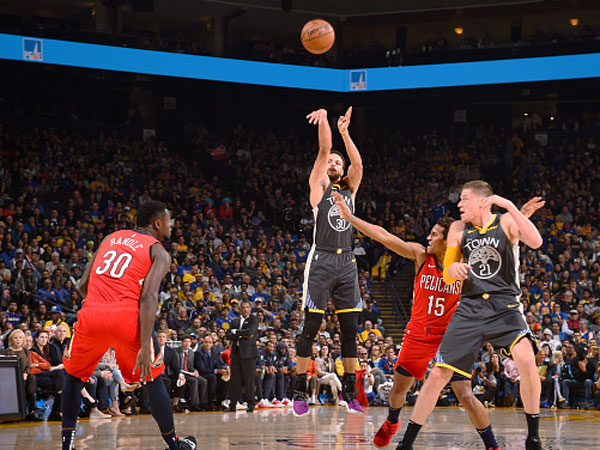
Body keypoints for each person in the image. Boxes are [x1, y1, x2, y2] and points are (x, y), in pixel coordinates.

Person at [334, 192, 541, 449]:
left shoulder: (467, 261)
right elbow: (385, 236)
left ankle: (492, 445)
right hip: (419, 333)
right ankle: (392, 420)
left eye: (434, 234)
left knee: (464, 393)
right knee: (399, 390)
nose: (428, 238)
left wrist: (520, 213)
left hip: (450, 335)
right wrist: (350, 217)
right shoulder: (421, 256)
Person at [396, 180, 545, 450]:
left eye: (464, 199)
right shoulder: (457, 228)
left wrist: (510, 206)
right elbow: (449, 268)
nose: (459, 204)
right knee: (438, 375)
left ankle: (533, 438)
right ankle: (406, 444)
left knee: (526, 358)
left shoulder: (507, 221)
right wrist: (454, 271)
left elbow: (536, 241)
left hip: (504, 306)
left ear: (482, 201)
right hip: (470, 307)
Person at [60, 200, 196, 450]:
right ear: (157, 223)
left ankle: (66, 444)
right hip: (127, 319)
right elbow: (148, 297)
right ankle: (173, 444)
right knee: (152, 380)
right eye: (169, 221)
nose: (172, 225)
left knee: (73, 376)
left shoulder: (111, 237)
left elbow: (82, 285)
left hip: (92, 312)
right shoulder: (159, 251)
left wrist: (100, 310)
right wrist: (144, 345)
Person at [293, 106, 365, 416]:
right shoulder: (319, 188)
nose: (335, 163)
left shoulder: (350, 189)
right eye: (332, 163)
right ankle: (298, 390)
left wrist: (346, 132)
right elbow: (324, 148)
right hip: (321, 259)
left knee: (350, 330)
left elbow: (358, 163)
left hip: (347, 262)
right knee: (310, 327)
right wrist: (324, 121)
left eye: (339, 162)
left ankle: (350, 392)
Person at [226, 299, 259, 412]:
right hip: (236, 353)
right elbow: (228, 335)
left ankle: (250, 405)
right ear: (240, 309)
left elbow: (249, 332)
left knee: (249, 380)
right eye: (243, 307)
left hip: (249, 354)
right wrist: (241, 334)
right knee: (235, 380)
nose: (245, 309)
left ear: (250, 309)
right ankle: (232, 405)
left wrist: (236, 332)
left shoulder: (254, 319)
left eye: (247, 307)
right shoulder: (235, 321)